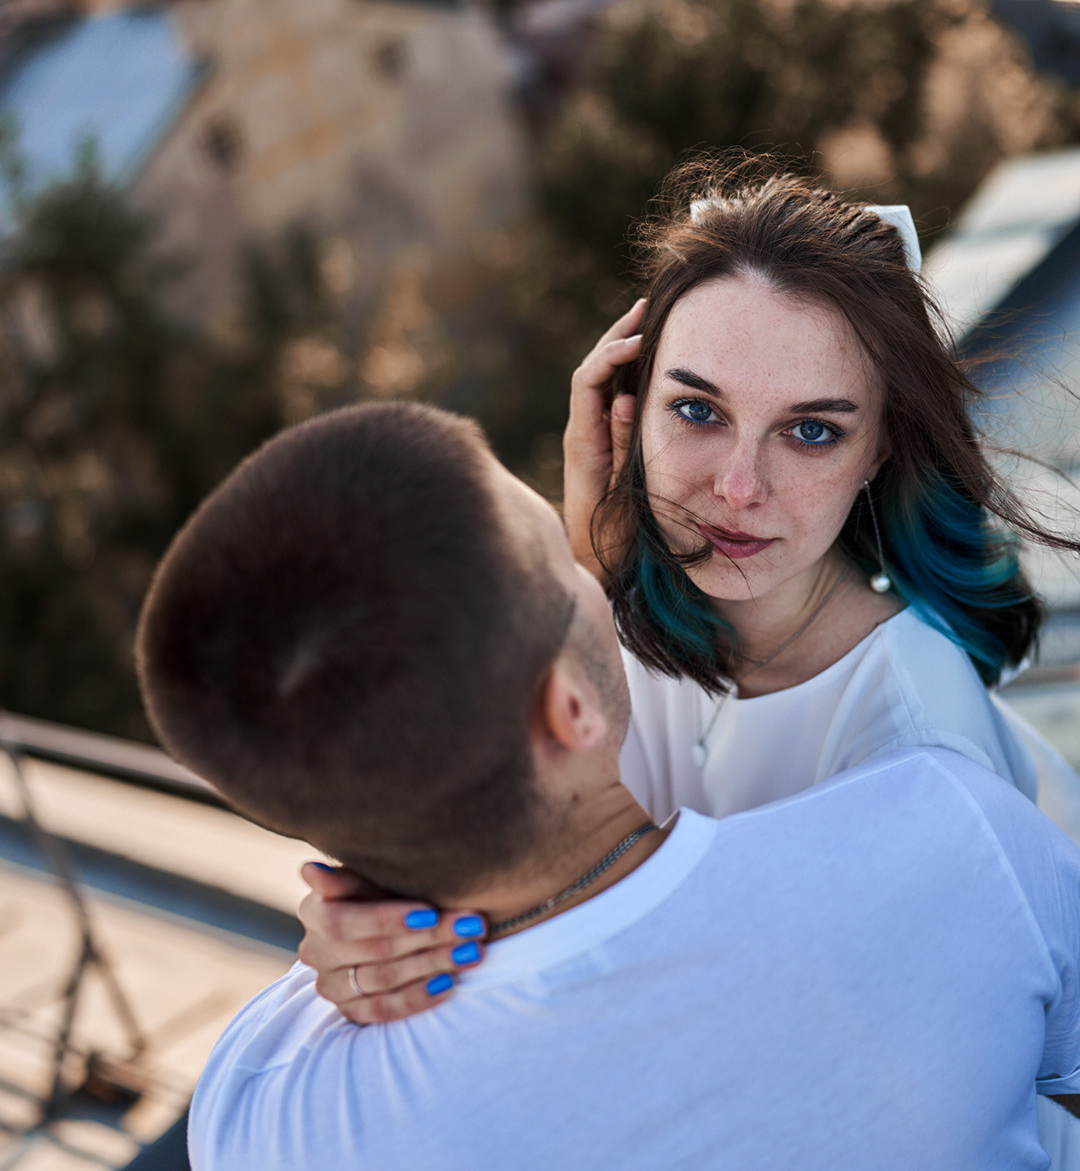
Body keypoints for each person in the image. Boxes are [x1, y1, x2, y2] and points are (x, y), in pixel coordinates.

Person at [297, 166, 1080, 1162]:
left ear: (882, 449)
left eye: (812, 431)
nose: (738, 490)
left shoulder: (917, 759)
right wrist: (367, 949)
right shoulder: (622, 623)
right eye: (698, 412)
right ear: (626, 412)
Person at [138, 402, 1080, 1171]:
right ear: (568, 710)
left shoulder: (269, 1107)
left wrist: (343, 941)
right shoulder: (946, 838)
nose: (598, 567)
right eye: (562, 556)